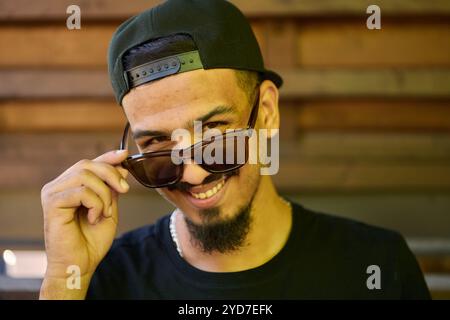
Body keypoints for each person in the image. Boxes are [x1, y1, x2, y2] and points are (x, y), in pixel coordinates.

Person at [39, 0, 430, 299]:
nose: (192, 174)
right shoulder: (102, 278)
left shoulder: (376, 264)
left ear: (267, 112)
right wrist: (62, 279)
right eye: (157, 145)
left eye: (216, 134)